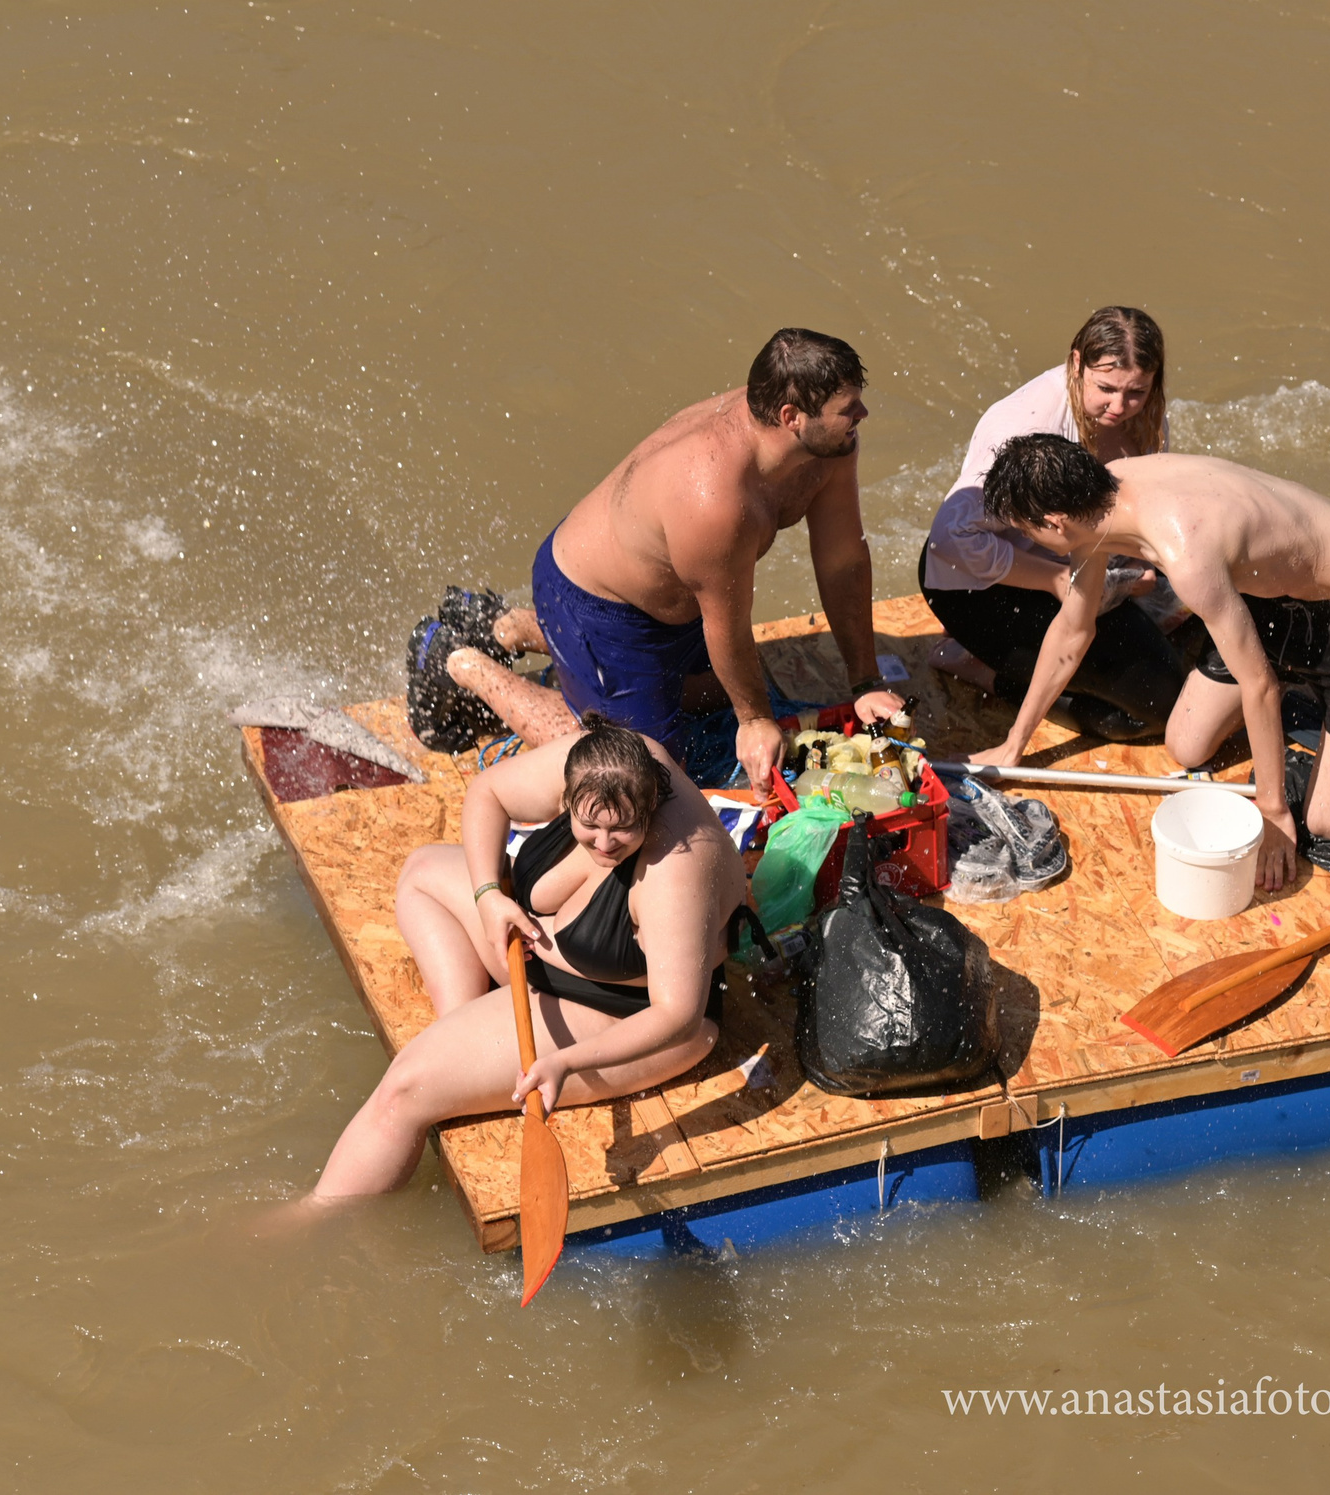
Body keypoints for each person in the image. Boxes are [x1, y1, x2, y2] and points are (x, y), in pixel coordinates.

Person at [971, 437, 1330, 891]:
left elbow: (1259, 686)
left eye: (1026, 531)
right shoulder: (1100, 491)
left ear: (1056, 522)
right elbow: (1073, 631)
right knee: (1187, 744)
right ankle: (1311, 679)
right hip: (1270, 596)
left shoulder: (1185, 555)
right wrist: (1015, 745)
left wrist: (1273, 810)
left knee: (1329, 823)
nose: (1028, 542)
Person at [308, 717, 749, 1199]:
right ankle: (463, 1049)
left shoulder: (674, 872)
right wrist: (488, 897)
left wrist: (566, 1063)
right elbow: (488, 793)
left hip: (625, 1014)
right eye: (589, 825)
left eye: (623, 829)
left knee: (403, 1091)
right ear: (569, 793)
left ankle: (315, 1224)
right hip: (540, 951)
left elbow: (678, 1015)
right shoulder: (602, 762)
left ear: (649, 807)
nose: (604, 844)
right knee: (422, 872)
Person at [444, 329, 906, 786]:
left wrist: (865, 682)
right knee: (644, 775)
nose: (862, 414)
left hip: (676, 606)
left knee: (712, 697)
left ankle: (513, 628)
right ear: (791, 416)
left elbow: (842, 559)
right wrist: (754, 720)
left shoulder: (829, 441)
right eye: (848, 409)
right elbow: (726, 622)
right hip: (597, 605)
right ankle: (467, 664)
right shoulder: (715, 500)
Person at [920, 306, 1186, 742]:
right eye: (1105, 389)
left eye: (1136, 392)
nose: (1119, 407)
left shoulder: (1145, 413)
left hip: (1075, 560)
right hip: (979, 587)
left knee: (1173, 669)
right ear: (1076, 363)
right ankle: (978, 668)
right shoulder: (1027, 427)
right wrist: (1059, 579)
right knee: (1161, 710)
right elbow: (950, 536)